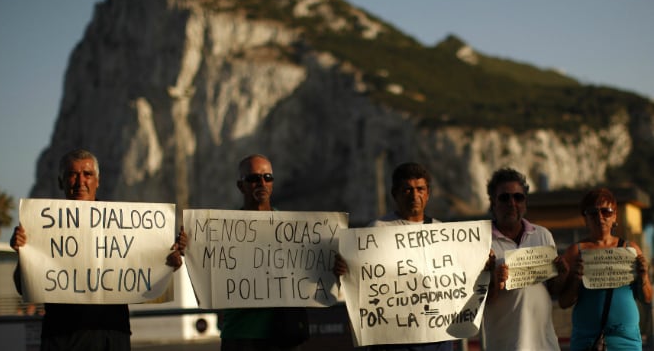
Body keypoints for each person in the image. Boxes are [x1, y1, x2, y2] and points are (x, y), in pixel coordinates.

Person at [10, 148, 186, 351]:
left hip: (111, 336)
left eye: (87, 174)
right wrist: (22, 253)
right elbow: (23, 287)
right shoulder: (40, 225)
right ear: (61, 182)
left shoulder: (124, 224)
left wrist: (170, 261)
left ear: (97, 181)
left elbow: (148, 267)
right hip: (61, 337)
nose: (80, 181)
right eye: (72, 174)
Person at [334, 162, 455, 351]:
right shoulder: (376, 231)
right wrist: (343, 270)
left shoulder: (442, 232)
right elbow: (357, 279)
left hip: (437, 337)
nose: (415, 195)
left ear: (428, 193)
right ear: (395, 194)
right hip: (394, 339)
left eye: (420, 189)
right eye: (407, 190)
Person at [219, 153, 309, 351]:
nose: (261, 182)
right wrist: (183, 251)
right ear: (240, 186)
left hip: (285, 333)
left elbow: (313, 269)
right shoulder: (222, 229)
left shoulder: (293, 229)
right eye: (253, 178)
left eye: (267, 177)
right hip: (241, 335)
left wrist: (336, 267)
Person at [482, 167, 568, 351]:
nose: (512, 203)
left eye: (518, 197)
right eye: (504, 198)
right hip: (506, 345)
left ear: (525, 203)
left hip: (546, 344)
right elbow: (478, 303)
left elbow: (552, 289)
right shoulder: (480, 241)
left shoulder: (543, 235)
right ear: (493, 203)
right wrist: (495, 282)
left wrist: (562, 275)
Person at [558, 188, 652, 350]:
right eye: (592, 212)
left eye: (606, 211)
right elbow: (564, 302)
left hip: (626, 341)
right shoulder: (574, 252)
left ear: (615, 216)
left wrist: (643, 276)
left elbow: (647, 298)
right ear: (585, 218)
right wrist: (575, 279)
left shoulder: (631, 249)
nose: (600, 217)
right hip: (588, 341)